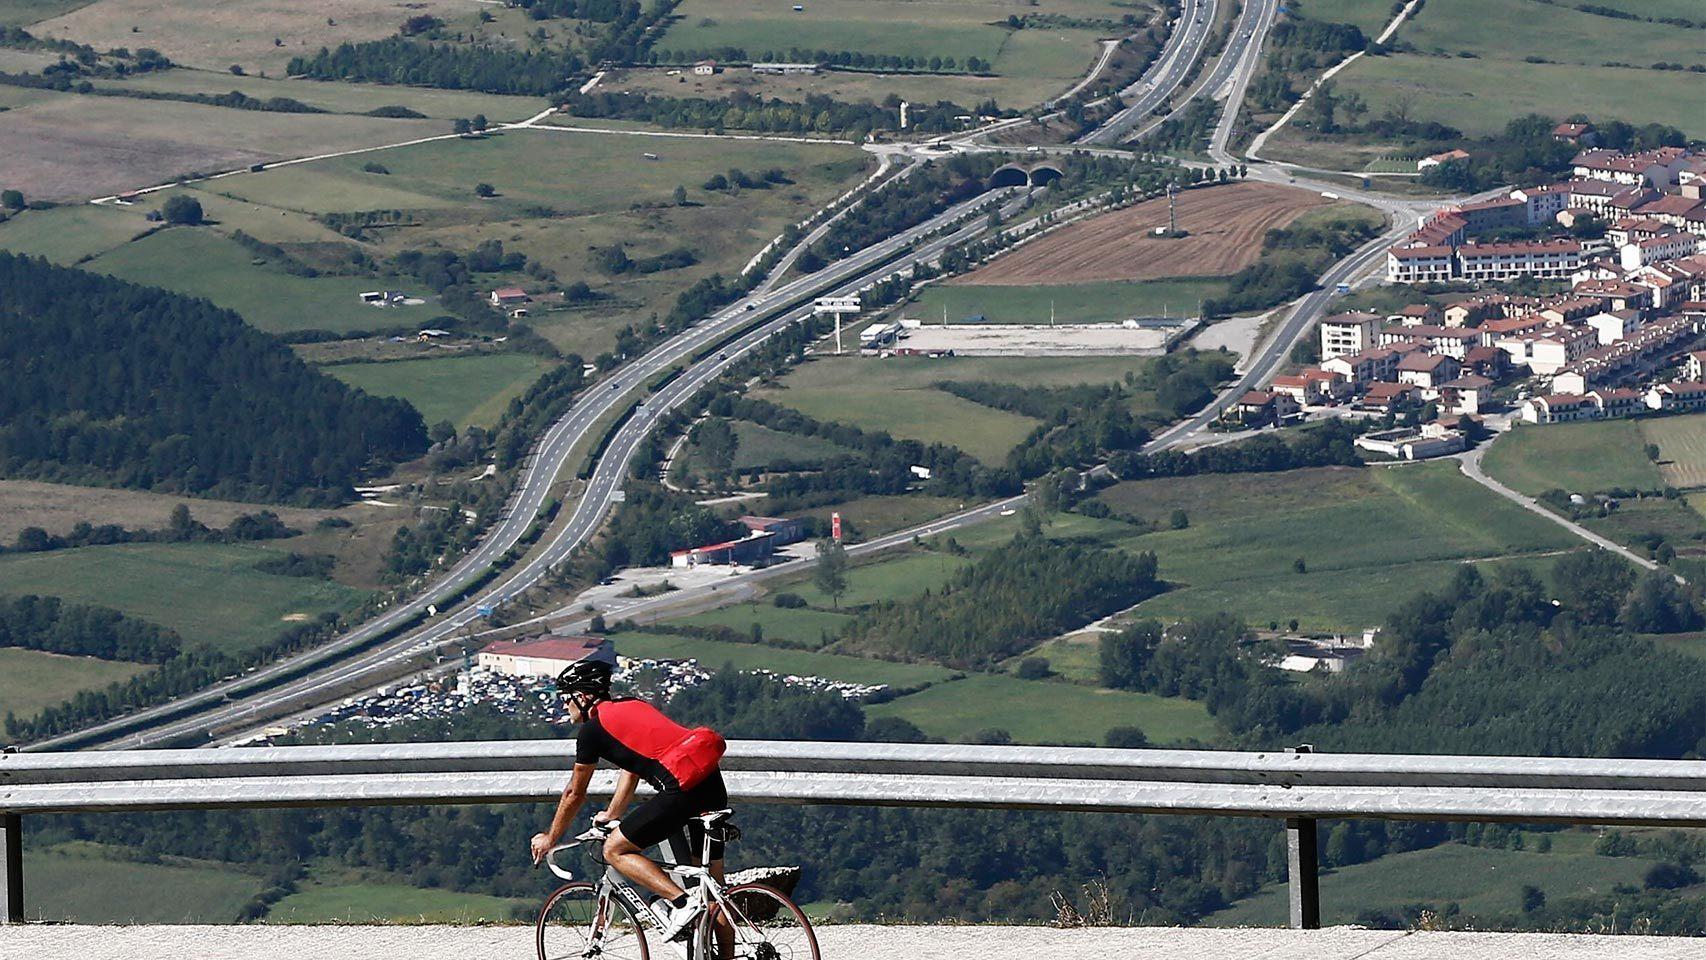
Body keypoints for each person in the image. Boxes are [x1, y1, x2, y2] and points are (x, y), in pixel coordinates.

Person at [530, 658, 729, 944]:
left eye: (566, 698)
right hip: (710, 782)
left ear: (584, 696)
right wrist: (612, 814)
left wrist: (551, 838)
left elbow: (575, 792)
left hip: (682, 790)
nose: (564, 705)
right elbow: (631, 768)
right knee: (713, 891)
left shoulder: (592, 731)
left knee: (615, 850)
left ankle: (682, 904)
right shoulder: (632, 705)